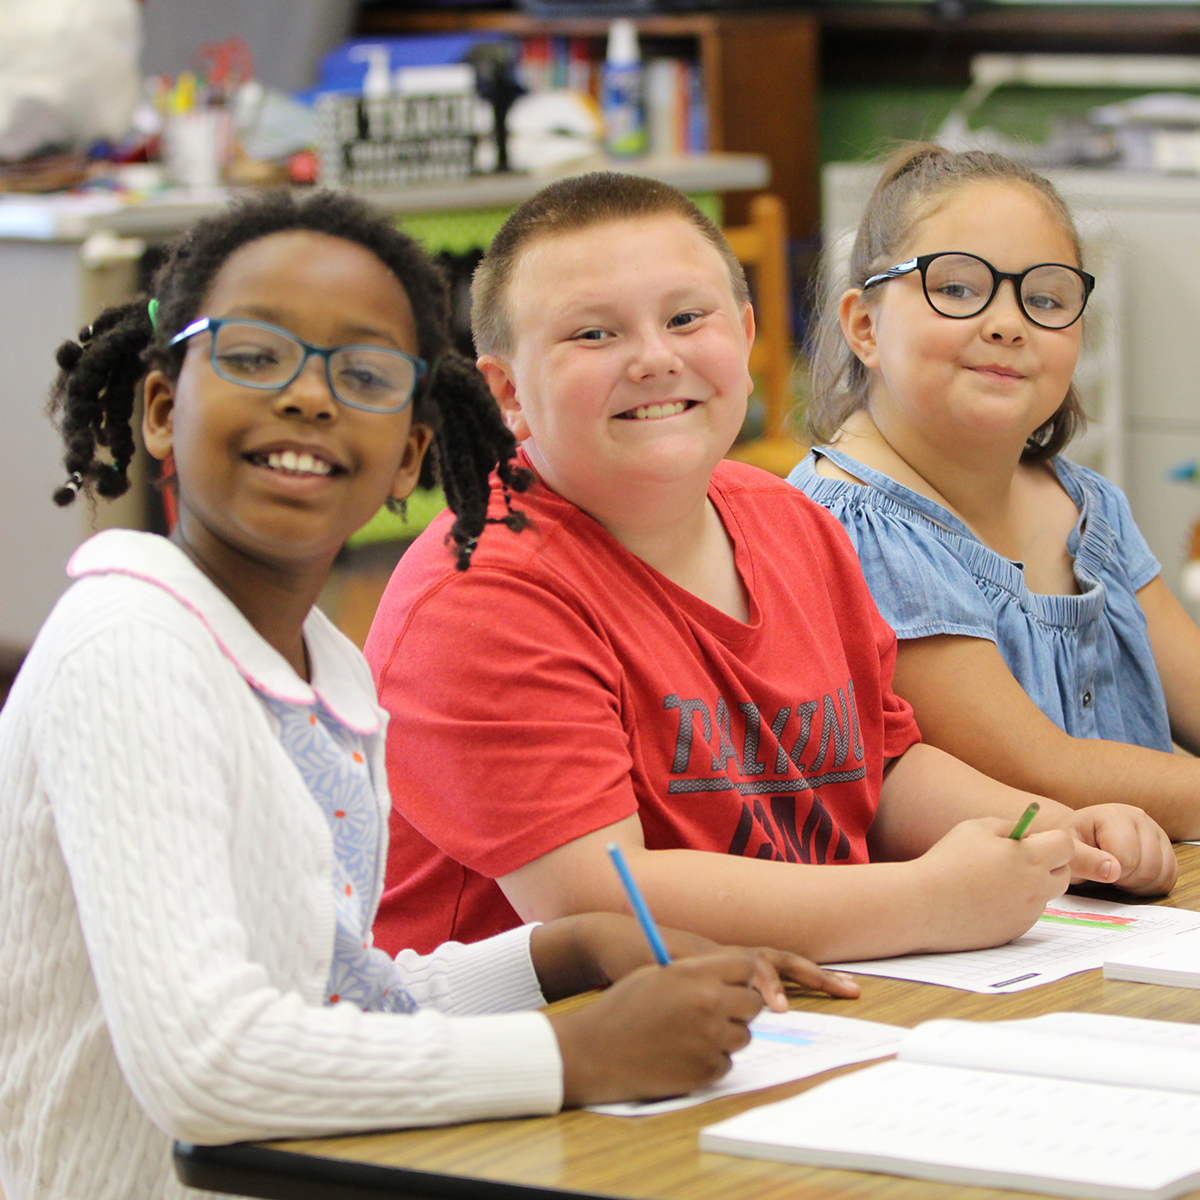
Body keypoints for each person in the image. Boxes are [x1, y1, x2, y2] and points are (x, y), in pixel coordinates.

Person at [0, 189, 858, 1200]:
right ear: (160, 408)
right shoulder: (130, 649)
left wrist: (560, 954)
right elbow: (209, 1063)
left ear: (411, 452)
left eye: (364, 374)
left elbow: (336, 998)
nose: (309, 398)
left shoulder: (320, 668)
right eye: (255, 356)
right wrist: (575, 1056)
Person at [365, 171, 1175, 969]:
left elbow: (884, 769)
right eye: (593, 334)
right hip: (569, 1035)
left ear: (746, 337)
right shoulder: (479, 594)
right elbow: (592, 901)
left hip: (810, 998)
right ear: (506, 391)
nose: (655, 358)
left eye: (687, 318)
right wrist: (927, 900)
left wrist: (1053, 828)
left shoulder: (791, 523)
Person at [790, 143, 1200, 843]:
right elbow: (1041, 773)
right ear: (864, 326)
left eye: (1044, 299)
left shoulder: (1090, 508)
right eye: (956, 289)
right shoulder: (851, 527)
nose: (1009, 323)